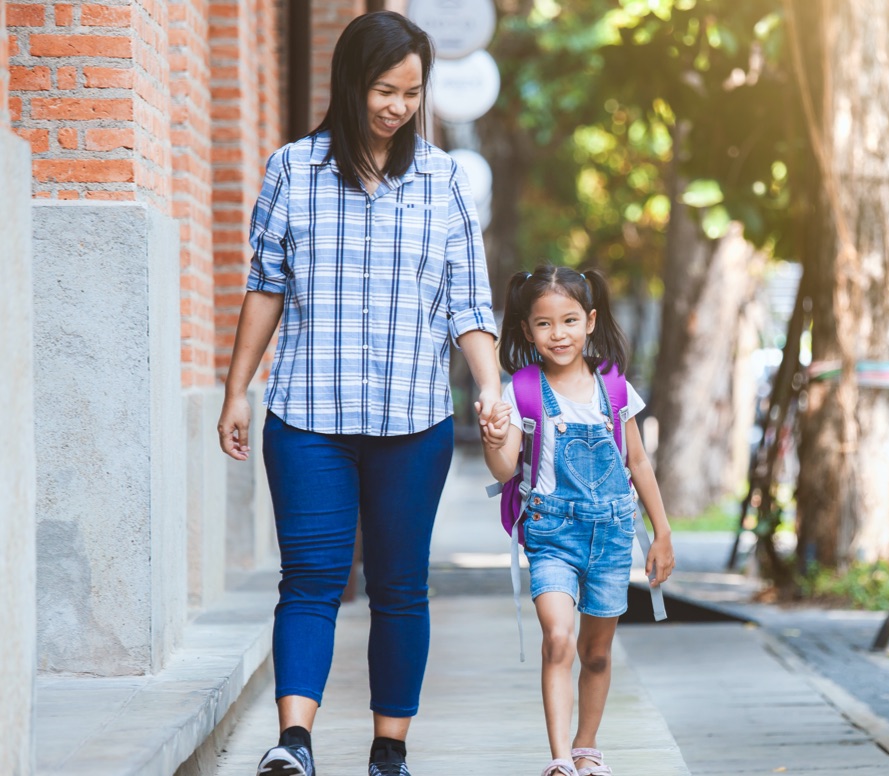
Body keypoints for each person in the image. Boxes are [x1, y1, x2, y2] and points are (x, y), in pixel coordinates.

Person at [216, 12, 500, 776]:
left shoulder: (440, 178)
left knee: (400, 587)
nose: (398, 107)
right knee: (308, 578)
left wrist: (492, 391)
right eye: (384, 89)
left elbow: (469, 304)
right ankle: (295, 743)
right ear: (350, 83)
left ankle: (389, 752)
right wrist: (237, 389)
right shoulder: (291, 170)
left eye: (411, 93)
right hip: (308, 417)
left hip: (413, 420)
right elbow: (265, 290)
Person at [480, 266, 675, 776]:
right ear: (526, 330)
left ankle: (587, 746)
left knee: (596, 653)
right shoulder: (520, 391)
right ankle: (560, 759)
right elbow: (505, 471)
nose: (558, 334)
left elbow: (637, 462)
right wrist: (493, 438)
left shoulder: (613, 386)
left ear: (589, 321)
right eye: (544, 324)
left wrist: (662, 532)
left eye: (569, 320)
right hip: (551, 535)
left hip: (611, 535)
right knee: (559, 639)